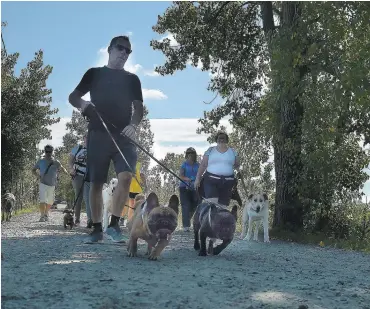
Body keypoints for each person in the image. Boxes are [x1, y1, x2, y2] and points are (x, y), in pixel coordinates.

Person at [68, 35, 144, 243]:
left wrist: (133, 126)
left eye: (128, 51)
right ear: (109, 49)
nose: (124, 53)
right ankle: (96, 229)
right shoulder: (94, 74)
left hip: (124, 136)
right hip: (98, 134)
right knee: (96, 182)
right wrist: (83, 105)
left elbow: (138, 108)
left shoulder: (132, 79)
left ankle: (114, 225)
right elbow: (73, 97)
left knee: (126, 177)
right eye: (121, 49)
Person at [194, 131, 240, 206]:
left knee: (223, 206)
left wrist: (238, 170)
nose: (221, 140)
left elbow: (237, 165)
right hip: (211, 180)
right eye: (219, 138)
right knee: (212, 204)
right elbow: (203, 165)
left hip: (227, 182)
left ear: (227, 140)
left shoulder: (233, 151)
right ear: (216, 140)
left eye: (223, 138)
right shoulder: (210, 150)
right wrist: (198, 179)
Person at [32, 144, 69, 222]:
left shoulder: (56, 162)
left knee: (50, 201)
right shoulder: (40, 161)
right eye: (47, 151)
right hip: (43, 183)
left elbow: (62, 168)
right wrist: (38, 176)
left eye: (50, 151)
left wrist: (68, 173)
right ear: (44, 152)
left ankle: (46, 213)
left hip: (52, 184)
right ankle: (42, 216)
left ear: (52, 152)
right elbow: (33, 170)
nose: (48, 153)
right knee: (42, 200)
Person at [68, 134, 92, 228]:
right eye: (86, 137)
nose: (87, 139)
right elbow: (70, 160)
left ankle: (90, 221)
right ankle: (77, 219)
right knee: (78, 197)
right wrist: (71, 169)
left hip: (89, 176)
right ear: (84, 138)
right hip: (77, 175)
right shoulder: (77, 148)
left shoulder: (94, 149)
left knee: (88, 197)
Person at [179, 147, 200, 231]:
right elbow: (181, 176)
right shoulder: (184, 165)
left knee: (196, 204)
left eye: (192, 153)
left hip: (195, 188)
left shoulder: (198, 165)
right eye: (189, 153)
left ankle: (189, 219)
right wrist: (189, 179)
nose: (190, 155)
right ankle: (186, 226)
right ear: (186, 155)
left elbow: (200, 175)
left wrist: (197, 180)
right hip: (184, 187)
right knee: (185, 206)